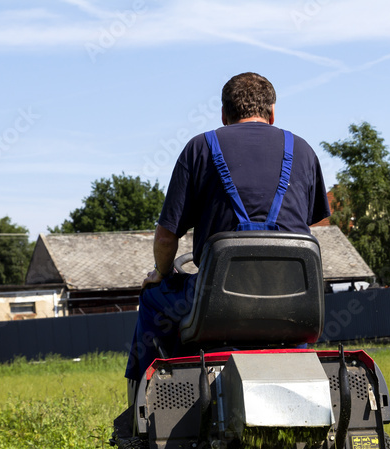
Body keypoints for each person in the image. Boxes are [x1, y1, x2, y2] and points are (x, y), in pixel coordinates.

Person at [123, 72, 331, 389]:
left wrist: (161, 274)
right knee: (289, 322)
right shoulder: (302, 150)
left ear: (223, 114)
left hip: (217, 302)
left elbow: (166, 238)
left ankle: (149, 404)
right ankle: (300, 377)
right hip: (292, 301)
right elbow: (311, 227)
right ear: (272, 112)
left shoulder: (199, 148)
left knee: (153, 299)